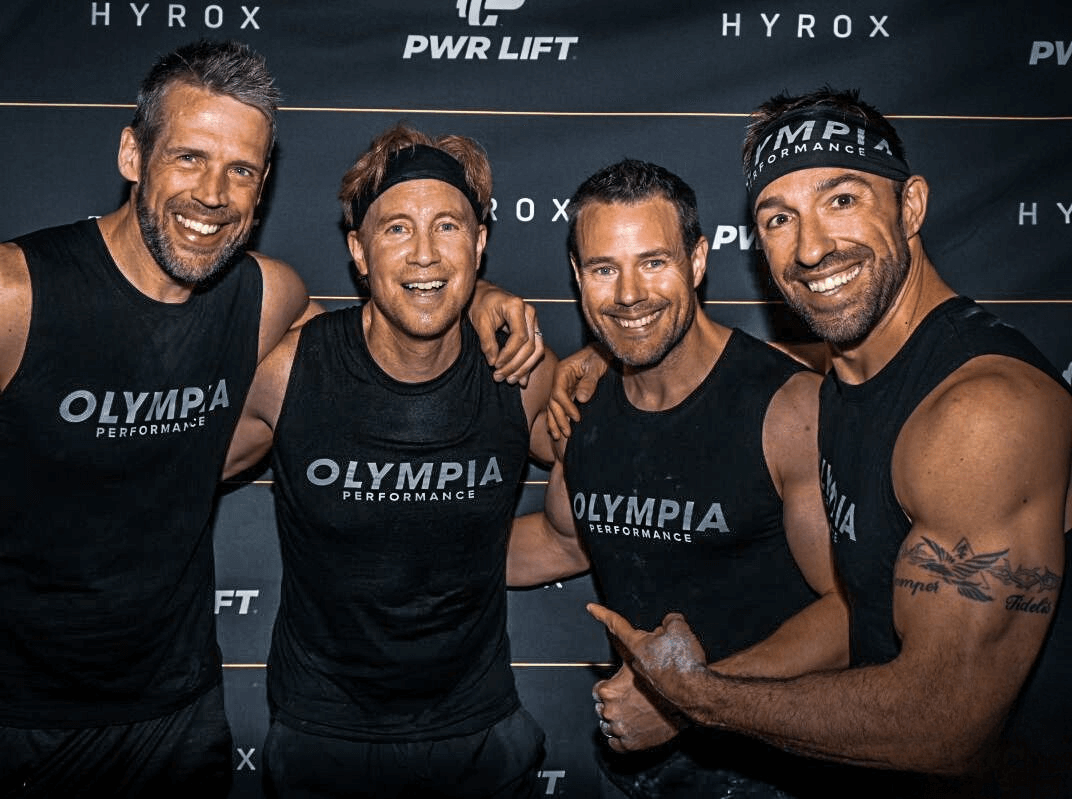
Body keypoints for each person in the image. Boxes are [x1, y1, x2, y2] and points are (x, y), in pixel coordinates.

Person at [0, 40, 540, 799]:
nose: (213, 194)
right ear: (133, 153)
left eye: (242, 170)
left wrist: (477, 300)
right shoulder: (1, 295)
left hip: (183, 722)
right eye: (189, 157)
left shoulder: (267, 298)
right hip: (9, 721)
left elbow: (380, 350)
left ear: (263, 188)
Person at [580, 89, 1072, 798]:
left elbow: (949, 726)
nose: (810, 247)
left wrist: (698, 698)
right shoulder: (846, 377)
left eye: (841, 200)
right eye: (779, 217)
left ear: (910, 208)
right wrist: (609, 350)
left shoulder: (981, 412)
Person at [219, 122, 556, 799]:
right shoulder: (290, 373)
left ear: (482, 242)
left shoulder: (523, 372)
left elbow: (635, 459)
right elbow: (146, 484)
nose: (426, 254)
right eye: (397, 228)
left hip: (480, 734)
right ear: (359, 252)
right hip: (323, 735)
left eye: (449, 227)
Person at [506, 159, 847, 798]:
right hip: (634, 764)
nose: (629, 294)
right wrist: (411, 548)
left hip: (774, 767)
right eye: (605, 269)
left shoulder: (787, 407)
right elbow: (563, 541)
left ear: (697, 261)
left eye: (654, 262)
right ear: (579, 280)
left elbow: (852, 607)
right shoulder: (584, 402)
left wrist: (686, 699)